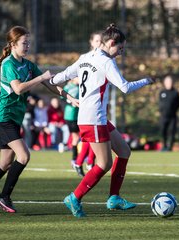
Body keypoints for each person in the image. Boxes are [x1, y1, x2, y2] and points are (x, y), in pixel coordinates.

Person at [0, 26, 78, 214]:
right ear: (13, 44)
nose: (27, 46)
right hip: (3, 117)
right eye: (24, 43)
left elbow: (49, 83)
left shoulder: (28, 65)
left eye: (29, 43)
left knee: (5, 163)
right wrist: (41, 77)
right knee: (24, 155)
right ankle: (4, 197)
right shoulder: (8, 64)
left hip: (14, 119)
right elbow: (18, 88)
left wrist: (68, 97)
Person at [50, 23, 154, 217]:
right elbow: (125, 87)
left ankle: (114, 198)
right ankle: (74, 197)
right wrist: (145, 81)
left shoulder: (85, 57)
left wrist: (59, 89)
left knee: (124, 151)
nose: (121, 53)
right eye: (120, 49)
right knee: (104, 164)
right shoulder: (106, 62)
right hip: (94, 119)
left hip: (93, 117)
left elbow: (58, 78)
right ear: (111, 43)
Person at [73, 31, 103, 176]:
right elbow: (72, 77)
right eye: (96, 41)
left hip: (98, 106)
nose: (99, 43)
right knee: (90, 139)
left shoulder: (102, 59)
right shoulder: (86, 58)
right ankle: (83, 162)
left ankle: (88, 162)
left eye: (101, 41)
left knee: (93, 139)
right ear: (91, 42)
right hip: (86, 108)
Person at [158, 75, 179, 152]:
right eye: (167, 82)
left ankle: (170, 147)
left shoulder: (175, 93)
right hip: (163, 116)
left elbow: (178, 104)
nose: (169, 83)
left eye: (170, 82)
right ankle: (164, 146)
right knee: (163, 131)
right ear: (165, 83)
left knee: (172, 131)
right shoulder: (162, 92)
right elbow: (160, 103)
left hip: (172, 116)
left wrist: (173, 110)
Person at [63, 78, 81, 171]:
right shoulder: (68, 87)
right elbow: (62, 97)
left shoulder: (81, 86)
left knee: (80, 138)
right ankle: (74, 159)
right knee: (76, 138)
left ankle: (80, 157)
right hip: (71, 115)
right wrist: (70, 101)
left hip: (80, 115)